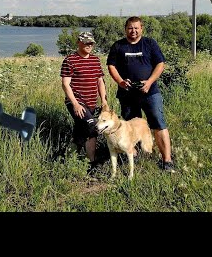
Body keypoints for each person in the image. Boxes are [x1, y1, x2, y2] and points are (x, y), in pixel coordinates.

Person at [106, 16, 175, 172]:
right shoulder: (118, 46)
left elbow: (160, 64)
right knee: (130, 126)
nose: (133, 31)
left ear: (141, 28)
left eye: (136, 28)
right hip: (127, 94)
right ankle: (135, 156)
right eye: (130, 28)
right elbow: (111, 66)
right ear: (125, 29)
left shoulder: (150, 44)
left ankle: (167, 161)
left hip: (150, 93)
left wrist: (149, 82)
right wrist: (121, 82)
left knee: (158, 123)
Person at [60, 31, 108, 167]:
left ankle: (66, 161)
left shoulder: (95, 60)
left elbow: (100, 81)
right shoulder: (70, 60)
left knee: (80, 133)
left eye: (91, 43)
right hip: (76, 101)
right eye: (86, 42)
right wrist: (75, 104)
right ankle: (92, 164)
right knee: (93, 128)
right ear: (79, 43)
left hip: (91, 102)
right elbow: (65, 84)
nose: (89, 45)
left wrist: (104, 101)